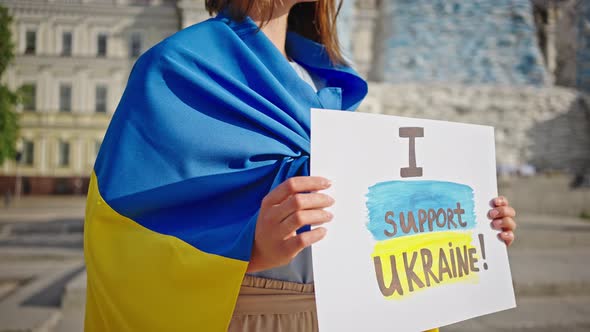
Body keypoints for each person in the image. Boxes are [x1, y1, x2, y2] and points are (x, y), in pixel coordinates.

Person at [83, 0, 517, 331]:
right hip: (241, 318)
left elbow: (368, 224)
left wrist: (470, 224)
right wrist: (249, 248)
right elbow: (117, 232)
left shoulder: (328, 85)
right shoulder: (175, 67)